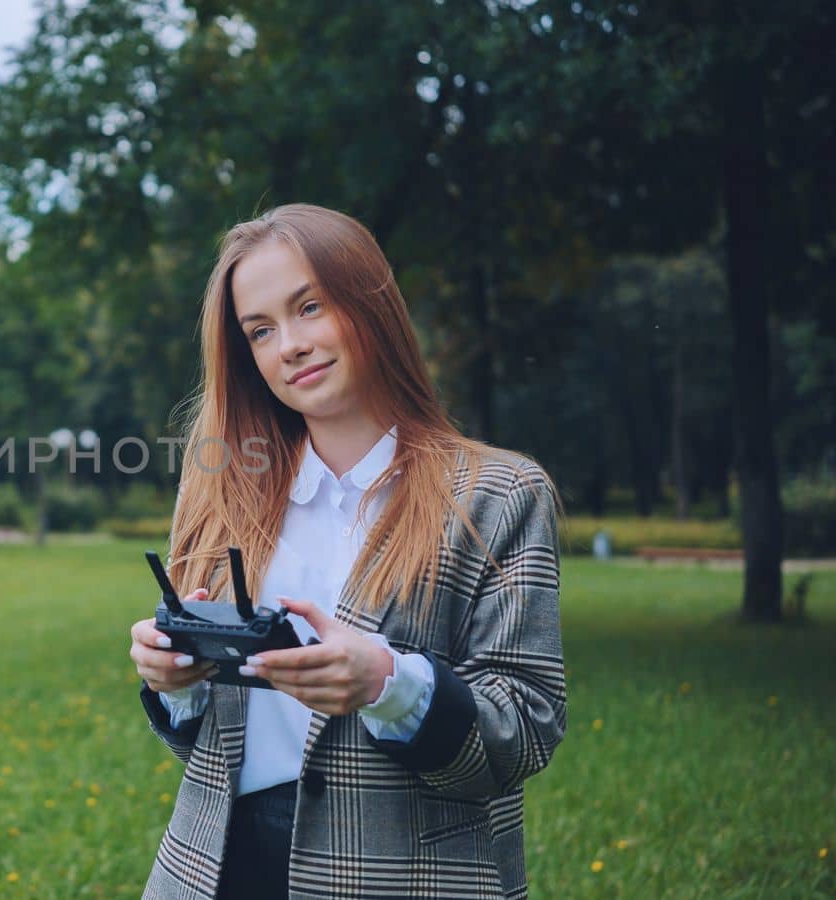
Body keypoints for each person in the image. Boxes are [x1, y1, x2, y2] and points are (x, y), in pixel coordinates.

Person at [129, 204, 567, 899]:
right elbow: (205, 746)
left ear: (372, 305)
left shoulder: (500, 493)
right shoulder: (217, 489)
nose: (290, 345)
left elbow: (524, 729)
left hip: (406, 876)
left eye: (310, 307)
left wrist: (388, 683)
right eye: (261, 330)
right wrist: (173, 682)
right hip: (216, 872)